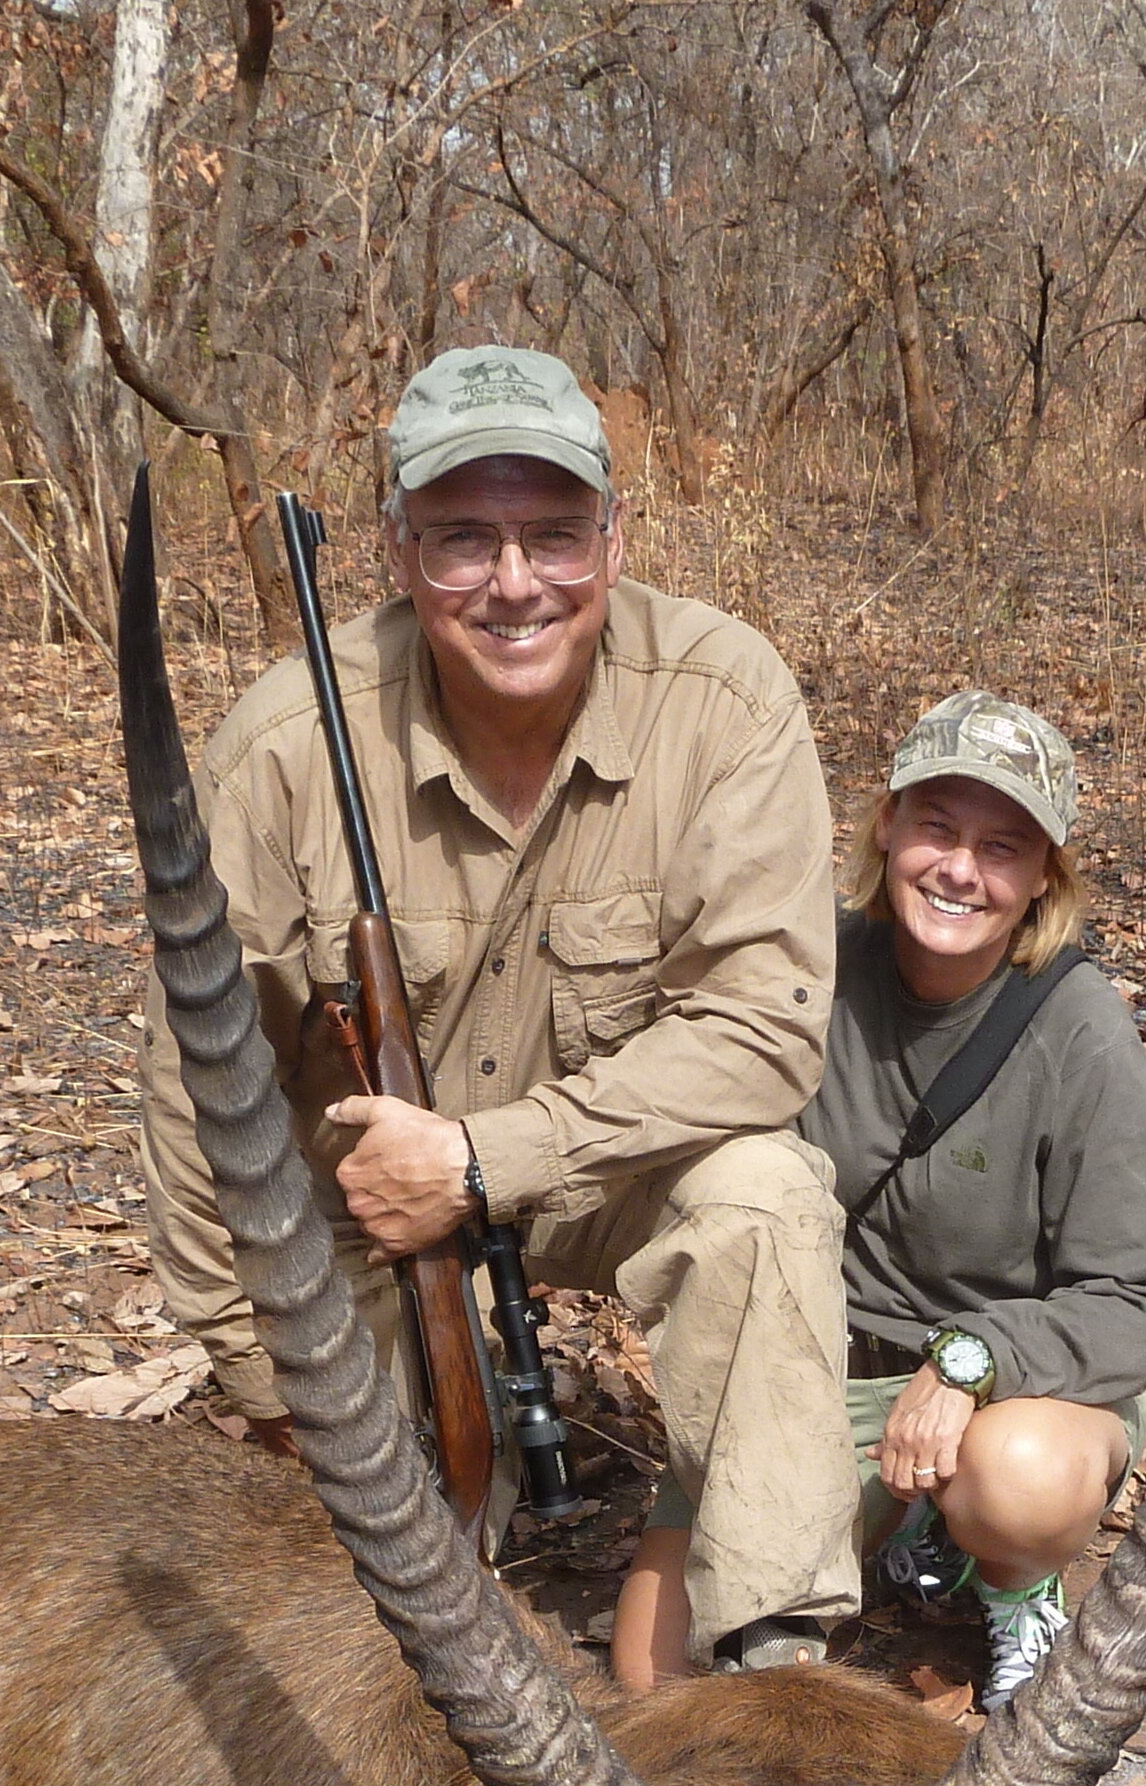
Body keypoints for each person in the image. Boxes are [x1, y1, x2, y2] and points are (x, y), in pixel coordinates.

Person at [139, 345, 858, 1671]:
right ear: (397, 550)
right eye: (464, 537)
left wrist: (478, 1161)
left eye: (553, 536)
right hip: (367, 1219)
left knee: (763, 1197)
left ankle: (776, 1665)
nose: (515, 582)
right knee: (377, 1620)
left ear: (614, 538)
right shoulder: (285, 739)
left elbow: (763, 1030)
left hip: (600, 1171)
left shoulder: (726, 697)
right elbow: (199, 1092)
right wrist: (264, 1380)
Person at [614, 690, 1146, 1707]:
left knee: (1016, 1477)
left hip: (1010, 1392)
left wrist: (970, 1360)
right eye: (936, 825)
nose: (960, 869)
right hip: (806, 1386)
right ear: (885, 826)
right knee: (653, 1677)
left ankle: (1015, 1586)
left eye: (1002, 846)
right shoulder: (810, 973)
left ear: (1041, 878)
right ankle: (888, 1541)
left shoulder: (1075, 1025)